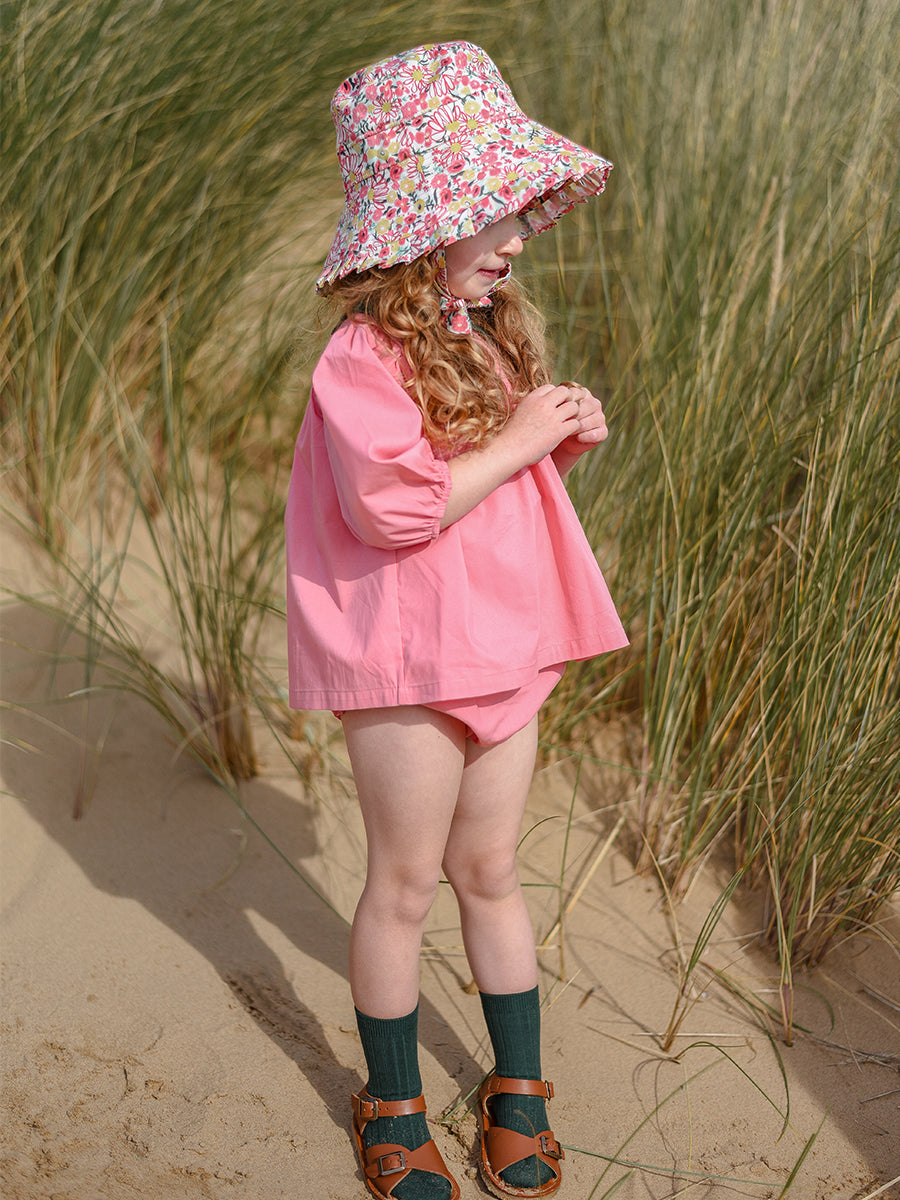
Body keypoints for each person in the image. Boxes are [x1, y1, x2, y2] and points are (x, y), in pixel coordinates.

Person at [285, 41, 628, 1200]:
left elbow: (485, 495)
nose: (519, 233)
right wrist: (520, 440)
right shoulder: (361, 356)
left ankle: (516, 1084)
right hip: (404, 658)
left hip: (500, 643)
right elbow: (397, 510)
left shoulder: (482, 332)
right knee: (404, 882)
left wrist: (553, 441)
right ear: (426, 224)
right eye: (496, 210)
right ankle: (391, 1099)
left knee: (490, 868)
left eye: (521, 209)